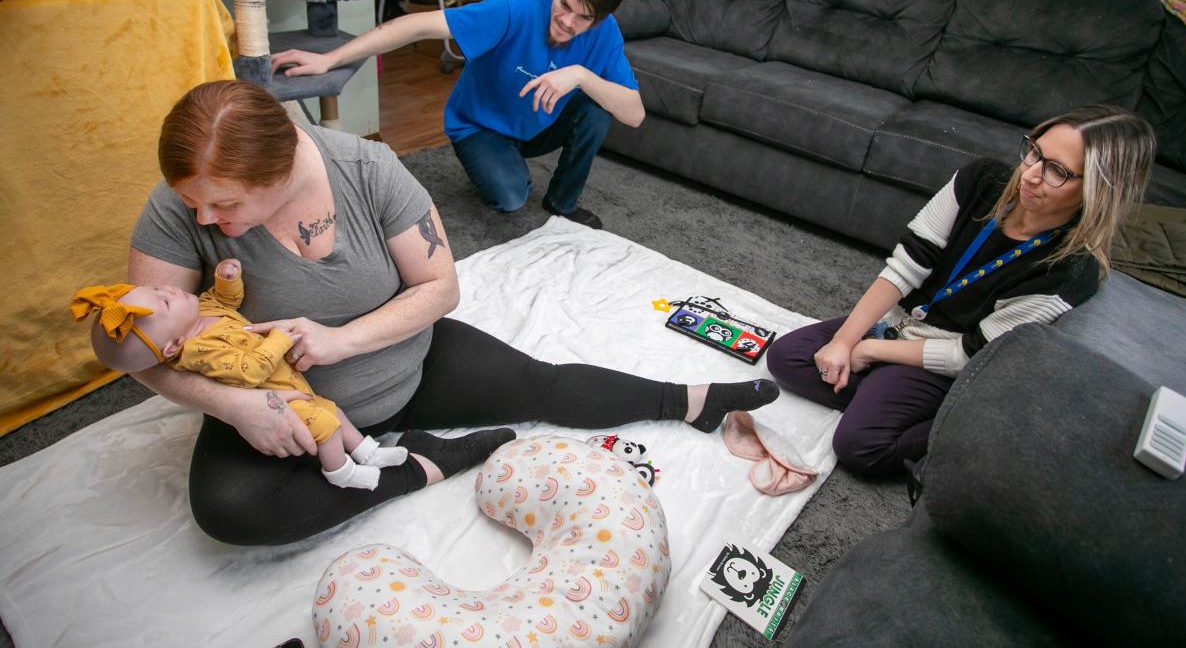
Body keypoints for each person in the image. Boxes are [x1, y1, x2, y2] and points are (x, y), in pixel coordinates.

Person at [127, 79, 777, 545]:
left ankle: (694, 399)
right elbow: (129, 347)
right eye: (196, 205)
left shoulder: (367, 170)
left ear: (279, 170)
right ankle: (424, 465)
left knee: (544, 385)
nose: (207, 221)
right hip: (273, 400)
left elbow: (440, 287)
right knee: (227, 511)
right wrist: (233, 406)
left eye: (225, 206)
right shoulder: (181, 203)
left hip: (409, 367)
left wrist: (342, 342)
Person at [767, 105, 1156, 477]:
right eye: (1034, 152)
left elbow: (970, 353)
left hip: (940, 357)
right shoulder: (980, 180)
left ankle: (959, 421)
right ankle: (877, 391)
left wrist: (869, 350)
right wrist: (843, 340)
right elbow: (906, 266)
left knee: (860, 445)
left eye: (1056, 171)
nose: (1031, 174)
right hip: (899, 322)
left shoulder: (1071, 271)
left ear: (1099, 190)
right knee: (787, 357)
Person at [271, 0, 643, 230]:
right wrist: (329, 59)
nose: (566, 20)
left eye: (583, 17)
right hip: (481, 126)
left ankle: (562, 203)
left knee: (598, 106)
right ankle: (497, 164)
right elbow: (415, 26)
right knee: (512, 197)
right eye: (563, 3)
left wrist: (580, 75)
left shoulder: (605, 34)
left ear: (601, 19)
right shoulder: (515, 9)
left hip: (538, 124)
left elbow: (634, 113)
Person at [71, 260, 411, 491]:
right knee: (325, 425)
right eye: (165, 303)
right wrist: (279, 338)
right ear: (174, 345)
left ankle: (367, 452)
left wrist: (226, 280)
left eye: (160, 289)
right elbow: (250, 372)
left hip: (292, 383)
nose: (170, 290)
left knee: (332, 409)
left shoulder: (202, 312)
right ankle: (341, 472)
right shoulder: (201, 352)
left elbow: (224, 302)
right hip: (276, 398)